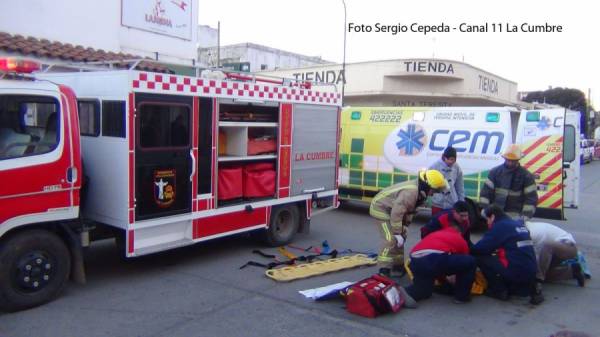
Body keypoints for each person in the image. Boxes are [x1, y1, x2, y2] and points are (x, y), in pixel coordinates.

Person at [369, 169, 448, 278]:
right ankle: (384, 269)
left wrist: (404, 227)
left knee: (402, 237)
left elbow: (409, 211)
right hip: (381, 208)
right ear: (427, 185)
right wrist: (397, 232)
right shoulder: (410, 193)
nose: (434, 193)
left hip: (393, 210)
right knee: (390, 238)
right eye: (434, 190)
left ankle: (398, 265)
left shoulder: (421, 192)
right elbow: (397, 213)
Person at [471, 206, 543, 305]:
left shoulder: (500, 226)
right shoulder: (518, 224)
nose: (487, 223)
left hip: (516, 272)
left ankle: (499, 290)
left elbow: (480, 249)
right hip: (531, 272)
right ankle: (526, 287)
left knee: (480, 257)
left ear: (492, 217)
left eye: (487, 220)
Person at [404, 220, 476, 304]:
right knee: (471, 261)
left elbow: (441, 262)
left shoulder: (436, 234)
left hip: (415, 261)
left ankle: (403, 292)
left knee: (424, 291)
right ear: (460, 232)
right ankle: (462, 297)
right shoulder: (459, 238)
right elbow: (465, 262)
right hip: (431, 260)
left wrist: (443, 280)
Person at [480, 144, 538, 220]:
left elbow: (531, 198)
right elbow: (485, 193)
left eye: (513, 161)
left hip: (515, 218)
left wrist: (525, 217)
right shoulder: (494, 172)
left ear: (518, 160)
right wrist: (485, 211)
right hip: (496, 215)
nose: (510, 163)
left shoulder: (526, 176)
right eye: (508, 160)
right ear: (504, 158)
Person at [525, 221, 585, 287]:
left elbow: (535, 255)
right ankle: (573, 272)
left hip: (567, 246)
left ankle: (538, 280)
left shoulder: (532, 233)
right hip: (551, 253)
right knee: (535, 275)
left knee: (547, 246)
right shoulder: (527, 229)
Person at [429, 146, 465, 215]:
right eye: (449, 159)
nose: (451, 162)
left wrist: (461, 202)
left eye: (453, 160)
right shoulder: (434, 167)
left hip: (452, 203)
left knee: (450, 225)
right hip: (438, 204)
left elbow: (460, 187)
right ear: (444, 157)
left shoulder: (456, 167)